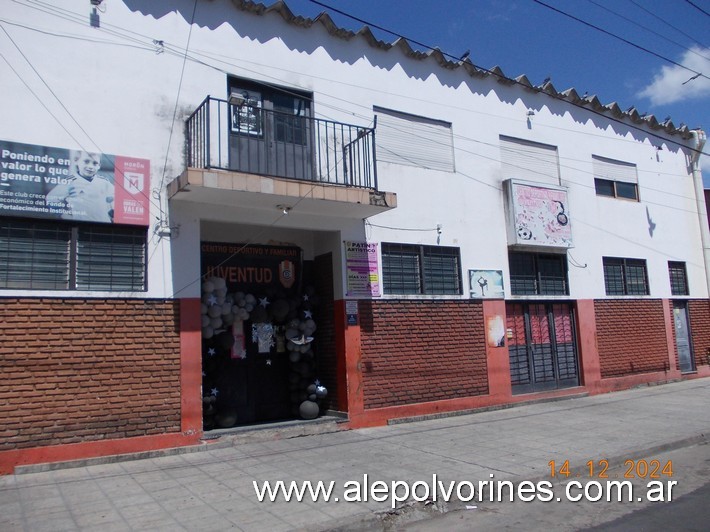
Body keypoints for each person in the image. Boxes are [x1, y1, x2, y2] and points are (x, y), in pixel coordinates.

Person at [46, 150, 114, 222]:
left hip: (103, 225)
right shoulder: (71, 181)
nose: (90, 166)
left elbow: (114, 199)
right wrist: (64, 216)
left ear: (99, 166)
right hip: (82, 226)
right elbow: (50, 199)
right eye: (86, 161)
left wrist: (111, 213)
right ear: (76, 161)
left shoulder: (104, 182)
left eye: (95, 163)